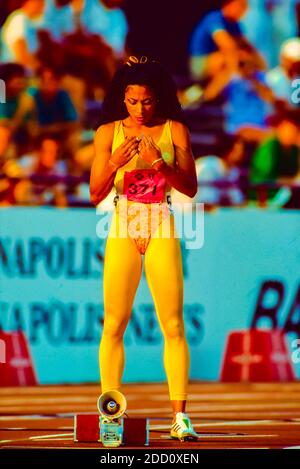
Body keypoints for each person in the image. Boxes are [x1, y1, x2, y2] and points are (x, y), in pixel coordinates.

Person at [90, 56, 199, 441]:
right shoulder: (107, 133)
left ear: (160, 99)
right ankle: (110, 416)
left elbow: (190, 187)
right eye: (132, 101)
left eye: (147, 101)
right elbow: (95, 193)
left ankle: (180, 417)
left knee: (172, 323)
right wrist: (113, 163)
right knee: (114, 324)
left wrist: (160, 166)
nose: (139, 109)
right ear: (122, 98)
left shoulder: (175, 130)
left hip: (160, 223)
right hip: (123, 225)